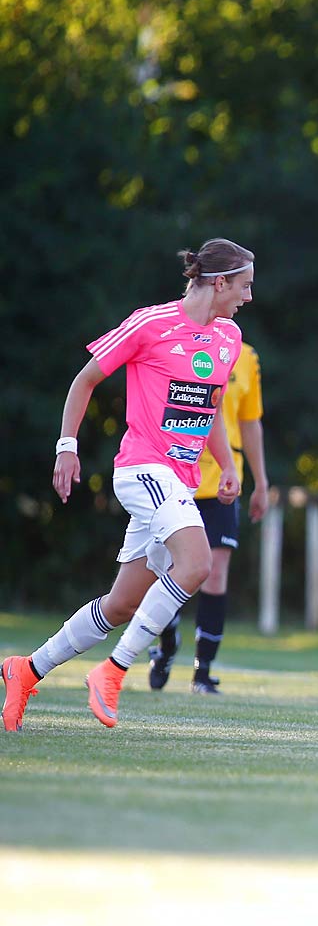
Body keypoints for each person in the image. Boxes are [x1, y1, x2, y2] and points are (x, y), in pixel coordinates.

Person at [3, 240, 254, 732]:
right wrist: (66, 446)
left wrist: (226, 465)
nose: (248, 296)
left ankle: (26, 670)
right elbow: (84, 380)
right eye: (244, 285)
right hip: (143, 469)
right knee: (198, 564)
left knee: (122, 603)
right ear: (219, 282)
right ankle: (113, 670)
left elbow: (211, 408)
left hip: (177, 481)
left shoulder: (228, 337)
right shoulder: (150, 323)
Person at [150, 338, 271, 694]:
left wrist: (261, 482)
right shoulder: (174, 344)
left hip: (222, 479)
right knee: (169, 571)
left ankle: (203, 673)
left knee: (215, 574)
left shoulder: (246, 356)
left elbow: (250, 423)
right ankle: (168, 642)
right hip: (175, 473)